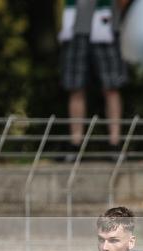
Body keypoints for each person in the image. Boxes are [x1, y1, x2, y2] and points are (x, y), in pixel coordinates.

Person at [58, 0, 130, 157]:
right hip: (74, 28)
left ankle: (115, 143)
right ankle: (75, 143)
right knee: (75, 87)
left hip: (106, 27)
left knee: (111, 87)